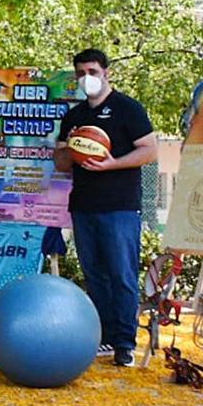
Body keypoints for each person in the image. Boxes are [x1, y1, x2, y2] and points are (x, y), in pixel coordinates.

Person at [53, 48, 158, 368]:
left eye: (93, 72)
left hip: (120, 207)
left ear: (106, 73)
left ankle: (125, 342)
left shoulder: (128, 109)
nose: (88, 78)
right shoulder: (74, 117)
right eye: (82, 73)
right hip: (84, 205)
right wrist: (72, 149)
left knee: (122, 275)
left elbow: (150, 151)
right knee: (95, 275)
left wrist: (113, 164)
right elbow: (60, 163)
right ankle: (104, 336)